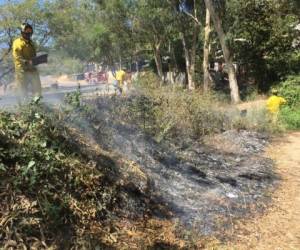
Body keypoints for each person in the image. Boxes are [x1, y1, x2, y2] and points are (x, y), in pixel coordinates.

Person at [12, 23, 42, 99]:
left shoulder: (32, 43)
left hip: (32, 69)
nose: (29, 34)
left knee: (37, 89)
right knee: (22, 90)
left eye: (30, 32)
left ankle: (37, 104)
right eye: (27, 32)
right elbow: (17, 57)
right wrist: (26, 62)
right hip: (22, 70)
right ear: (22, 32)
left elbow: (34, 55)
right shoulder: (17, 42)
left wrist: (39, 60)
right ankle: (24, 108)